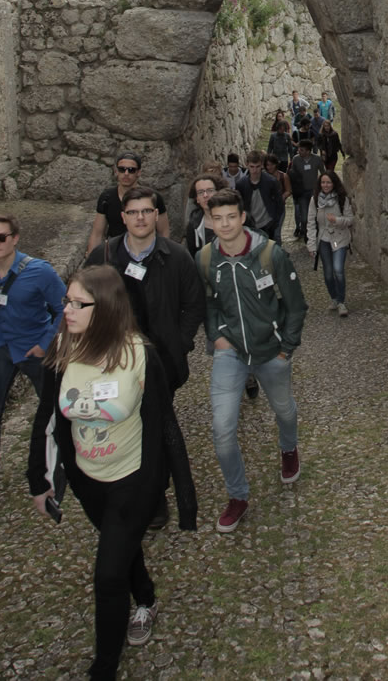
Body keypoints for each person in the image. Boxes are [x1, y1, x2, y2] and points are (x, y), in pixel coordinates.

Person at [28, 266, 197, 681]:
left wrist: (184, 497)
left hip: (133, 479)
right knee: (119, 548)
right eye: (66, 301)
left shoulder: (140, 355)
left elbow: (166, 425)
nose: (66, 310)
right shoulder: (62, 349)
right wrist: (39, 479)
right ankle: (146, 598)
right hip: (87, 480)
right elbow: (46, 416)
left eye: (77, 303)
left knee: (107, 576)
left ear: (104, 308)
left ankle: (103, 667)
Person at [85, 185, 206, 527]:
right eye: (133, 212)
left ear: (156, 215)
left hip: (159, 364)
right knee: (121, 427)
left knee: (153, 430)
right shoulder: (103, 257)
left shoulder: (177, 257)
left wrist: (179, 343)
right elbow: (83, 300)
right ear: (123, 217)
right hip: (113, 363)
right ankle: (122, 488)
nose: (140, 218)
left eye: (146, 211)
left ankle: (155, 496)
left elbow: (194, 304)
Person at [197, 190, 308, 534]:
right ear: (210, 220)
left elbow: (296, 305)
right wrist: (216, 335)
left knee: (284, 410)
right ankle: (237, 495)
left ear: (243, 217)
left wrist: (286, 347)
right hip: (230, 351)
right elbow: (208, 301)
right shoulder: (205, 258)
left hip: (271, 350)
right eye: (218, 218)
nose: (225, 224)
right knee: (222, 429)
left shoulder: (270, 254)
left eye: (231, 216)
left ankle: (288, 449)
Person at [0, 213, 66, 513]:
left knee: (54, 411)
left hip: (35, 348)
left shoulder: (40, 271)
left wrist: (46, 343)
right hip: (0, 347)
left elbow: (64, 308)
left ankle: (60, 469)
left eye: (1, 237)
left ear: (15, 239)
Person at [184, 173, 259, 402]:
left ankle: (248, 374)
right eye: (201, 192)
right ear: (196, 199)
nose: (206, 195)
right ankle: (232, 382)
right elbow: (193, 258)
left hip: (240, 288)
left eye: (210, 190)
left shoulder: (240, 217)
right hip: (212, 293)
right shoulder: (194, 226)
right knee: (219, 341)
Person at [86, 152, 169, 256]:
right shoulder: (107, 198)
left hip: (147, 252)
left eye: (131, 170)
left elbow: (164, 232)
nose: (126, 173)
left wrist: (163, 256)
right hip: (115, 253)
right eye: (122, 169)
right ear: (116, 171)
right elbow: (97, 234)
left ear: (138, 172)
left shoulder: (153, 197)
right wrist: (91, 261)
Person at [307, 171, 355, 317]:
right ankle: (334, 297)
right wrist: (311, 245)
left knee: (338, 269)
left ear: (334, 183)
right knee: (328, 273)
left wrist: (337, 220)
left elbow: (350, 219)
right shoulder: (315, 200)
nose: (325, 185)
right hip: (324, 239)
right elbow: (311, 223)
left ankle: (341, 302)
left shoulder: (342, 199)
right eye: (323, 182)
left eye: (328, 182)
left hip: (340, 238)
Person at [235, 151, 285, 242]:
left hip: (268, 224)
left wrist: (275, 221)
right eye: (252, 167)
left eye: (257, 166)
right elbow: (239, 206)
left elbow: (279, 203)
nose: (255, 170)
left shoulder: (271, 182)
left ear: (262, 165)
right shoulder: (241, 184)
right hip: (250, 225)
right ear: (247, 165)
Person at [289, 140, 326, 240]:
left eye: (301, 150)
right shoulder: (296, 159)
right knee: (304, 217)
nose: (299, 151)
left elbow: (323, 172)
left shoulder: (317, 159)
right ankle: (304, 232)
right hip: (302, 192)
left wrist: (322, 186)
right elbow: (292, 175)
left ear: (308, 151)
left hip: (314, 192)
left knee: (316, 214)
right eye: (299, 149)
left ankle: (315, 233)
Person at [263, 154, 292, 243]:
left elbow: (288, 190)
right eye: (267, 165)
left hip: (279, 208)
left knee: (277, 233)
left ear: (276, 164)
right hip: (266, 209)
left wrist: (282, 197)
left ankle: (277, 250)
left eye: (271, 164)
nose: (269, 167)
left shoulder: (283, 176)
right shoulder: (263, 176)